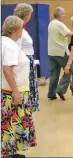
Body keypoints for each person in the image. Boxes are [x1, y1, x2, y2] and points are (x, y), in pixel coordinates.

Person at [1, 16, 37, 158]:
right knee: (12, 123)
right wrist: (15, 91)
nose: (23, 30)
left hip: (7, 89)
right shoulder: (10, 45)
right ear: (16, 29)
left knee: (8, 123)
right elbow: (7, 69)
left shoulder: (4, 42)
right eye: (22, 28)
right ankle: (9, 154)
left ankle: (10, 152)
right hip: (12, 91)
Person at [14, 3, 39, 112]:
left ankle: (26, 114)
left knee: (28, 91)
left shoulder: (22, 27)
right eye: (30, 14)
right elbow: (16, 49)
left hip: (28, 62)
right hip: (23, 64)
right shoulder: (18, 28)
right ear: (26, 14)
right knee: (25, 91)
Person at [48, 7, 73, 101]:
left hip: (51, 52)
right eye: (63, 14)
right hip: (61, 52)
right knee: (70, 69)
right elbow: (70, 34)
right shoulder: (60, 24)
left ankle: (51, 94)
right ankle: (60, 89)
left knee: (54, 73)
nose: (64, 15)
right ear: (59, 15)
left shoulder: (51, 23)